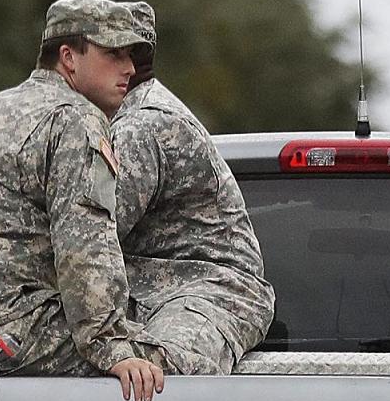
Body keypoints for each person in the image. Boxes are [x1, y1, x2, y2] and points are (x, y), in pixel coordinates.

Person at [0, 0, 167, 401]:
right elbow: (85, 247)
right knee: (163, 352)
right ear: (68, 57)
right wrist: (112, 348)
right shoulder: (73, 119)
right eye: (113, 53)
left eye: (132, 55)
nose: (130, 68)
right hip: (3, 334)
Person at [113, 35, 276, 374]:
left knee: (155, 380)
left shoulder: (141, 126)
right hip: (155, 296)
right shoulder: (127, 118)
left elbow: (87, 237)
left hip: (204, 295)